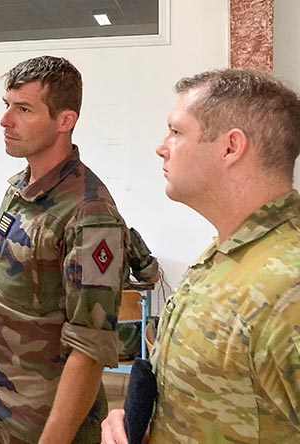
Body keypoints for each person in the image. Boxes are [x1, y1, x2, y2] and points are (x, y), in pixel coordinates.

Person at [101, 69, 300, 443]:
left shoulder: (289, 287)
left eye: (176, 132)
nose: (161, 146)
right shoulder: (229, 252)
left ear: (230, 147)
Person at [0, 56, 130, 443]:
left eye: (24, 109)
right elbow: (7, 300)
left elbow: (90, 349)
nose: (5, 120)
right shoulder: (19, 189)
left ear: (66, 120)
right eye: (6, 105)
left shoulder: (90, 214)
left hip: (42, 424)